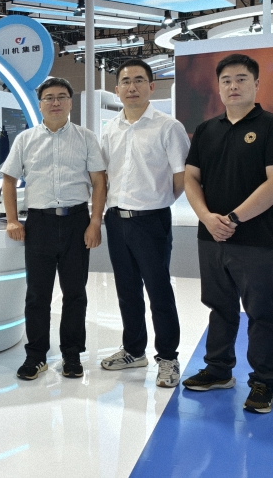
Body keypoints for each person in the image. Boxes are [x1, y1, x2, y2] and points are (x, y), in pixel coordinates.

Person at [181, 54, 273, 414]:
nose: (233, 86)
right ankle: (218, 369)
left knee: (260, 312)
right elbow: (191, 178)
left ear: (256, 84)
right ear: (218, 87)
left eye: (241, 79)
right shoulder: (206, 130)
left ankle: (263, 382)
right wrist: (206, 217)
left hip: (256, 239)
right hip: (210, 236)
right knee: (219, 307)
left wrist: (232, 218)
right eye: (226, 80)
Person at [2, 77, 107, 381]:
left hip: (77, 222)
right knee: (37, 295)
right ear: (40, 105)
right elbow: (9, 179)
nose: (56, 102)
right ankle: (36, 356)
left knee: (75, 293)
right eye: (49, 97)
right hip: (40, 224)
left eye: (62, 96)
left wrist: (95, 221)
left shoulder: (86, 138)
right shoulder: (26, 139)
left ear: (71, 102)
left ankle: (72, 355)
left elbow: (99, 180)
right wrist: (12, 219)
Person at [98, 59, 190, 388]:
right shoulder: (110, 129)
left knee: (158, 291)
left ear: (151, 86)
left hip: (152, 220)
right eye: (125, 81)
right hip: (116, 219)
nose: (132, 87)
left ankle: (168, 357)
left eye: (139, 80)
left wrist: (157, 201)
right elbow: (103, 176)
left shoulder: (169, 127)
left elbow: (181, 177)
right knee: (127, 291)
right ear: (117, 89)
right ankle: (134, 350)